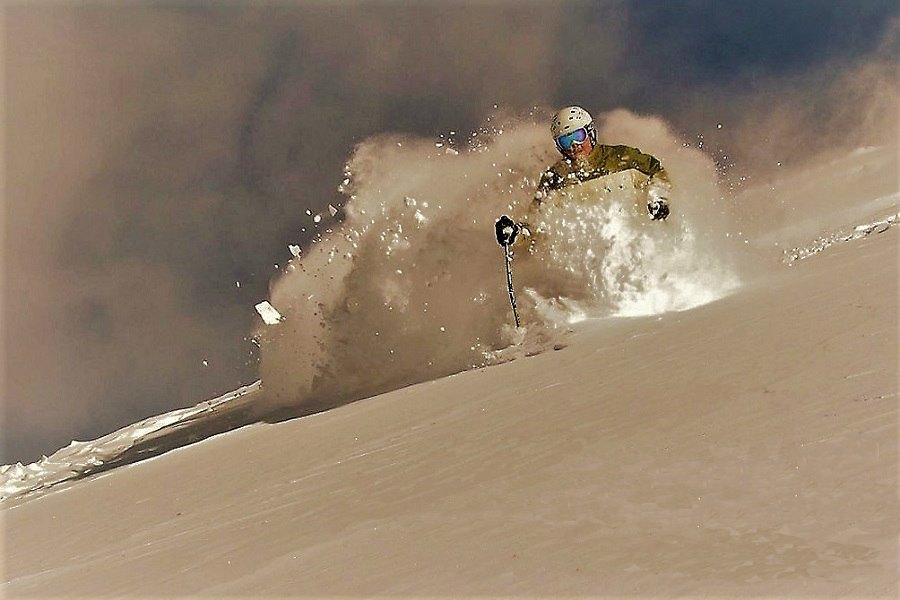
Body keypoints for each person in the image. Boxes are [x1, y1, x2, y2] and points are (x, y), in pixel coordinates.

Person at [496, 106, 671, 248]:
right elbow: (535, 226)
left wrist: (659, 200)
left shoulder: (621, 158)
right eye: (566, 141)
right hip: (583, 262)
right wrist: (515, 233)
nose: (574, 146)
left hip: (636, 244)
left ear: (591, 133)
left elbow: (656, 173)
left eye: (578, 136)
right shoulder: (556, 179)